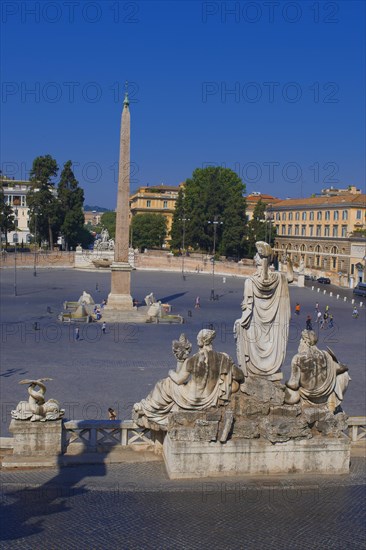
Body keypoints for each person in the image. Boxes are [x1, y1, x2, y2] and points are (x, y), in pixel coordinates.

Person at [133, 330, 244, 429]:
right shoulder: (223, 358)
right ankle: (151, 407)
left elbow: (178, 380)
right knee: (169, 385)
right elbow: (240, 376)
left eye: (197, 339)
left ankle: (148, 407)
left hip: (191, 398)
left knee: (164, 384)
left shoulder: (193, 360)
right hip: (209, 399)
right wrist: (228, 373)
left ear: (201, 341)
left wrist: (170, 372)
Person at [234, 241, 293, 379]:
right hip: (274, 331)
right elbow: (290, 277)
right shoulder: (278, 278)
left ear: (259, 260)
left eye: (257, 255)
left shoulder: (250, 282)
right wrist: (289, 262)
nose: (254, 256)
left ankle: (255, 370)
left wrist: (239, 322)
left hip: (255, 328)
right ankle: (270, 367)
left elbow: (247, 311)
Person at [285, 330, 350, 413]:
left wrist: (286, 383)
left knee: (290, 395)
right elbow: (342, 368)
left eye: (301, 339)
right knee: (344, 375)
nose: (300, 341)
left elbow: (294, 384)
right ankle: (331, 404)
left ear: (305, 341)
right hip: (323, 397)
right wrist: (338, 364)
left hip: (307, 396)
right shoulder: (326, 355)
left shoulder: (297, 358)